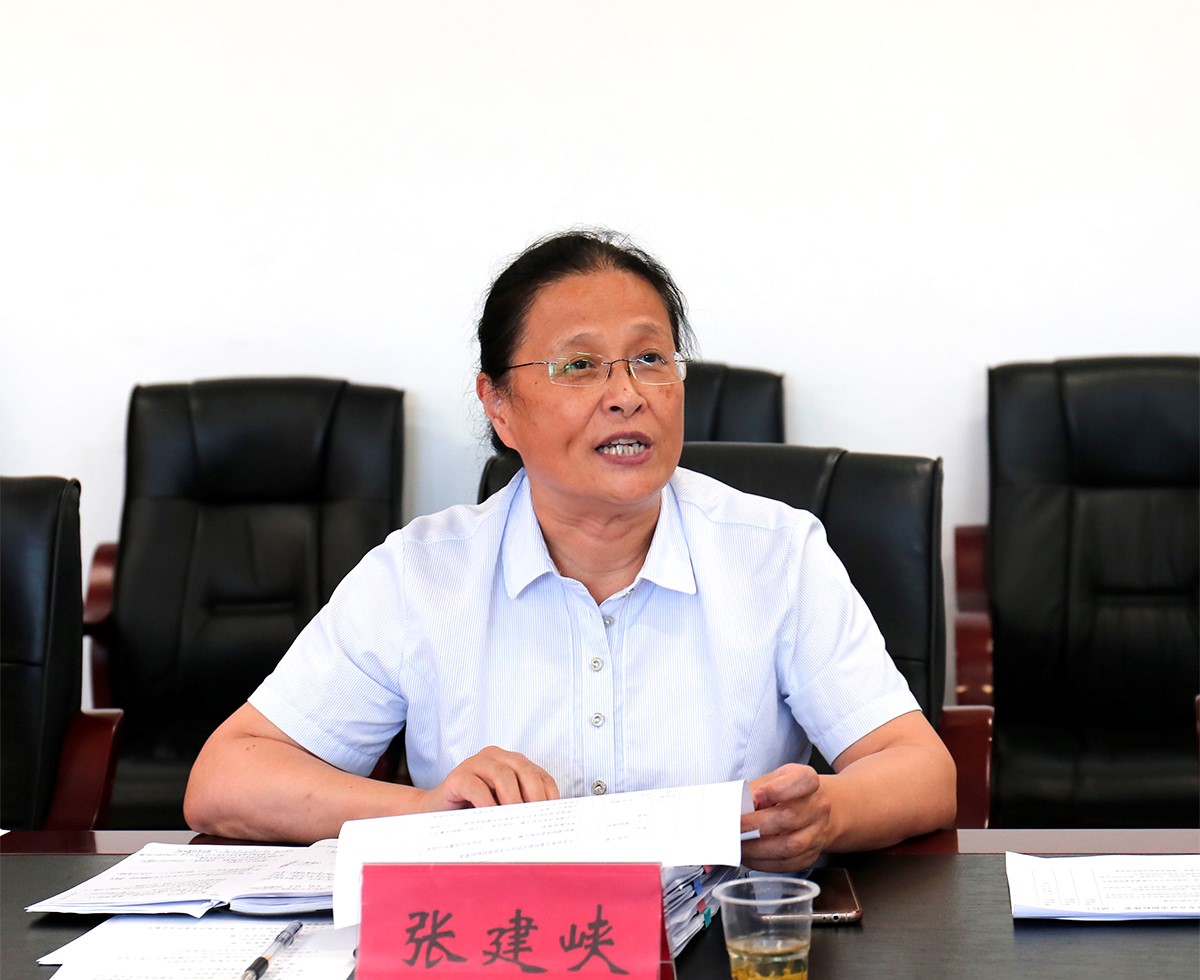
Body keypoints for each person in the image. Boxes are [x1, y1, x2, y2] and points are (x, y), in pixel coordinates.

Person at [184, 229, 956, 868]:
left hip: (718, 965)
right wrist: (427, 812)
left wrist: (827, 812)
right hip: (493, 961)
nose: (627, 394)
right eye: (579, 365)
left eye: (650, 358)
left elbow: (921, 769)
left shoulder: (776, 554)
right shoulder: (420, 573)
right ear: (499, 406)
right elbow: (226, 779)